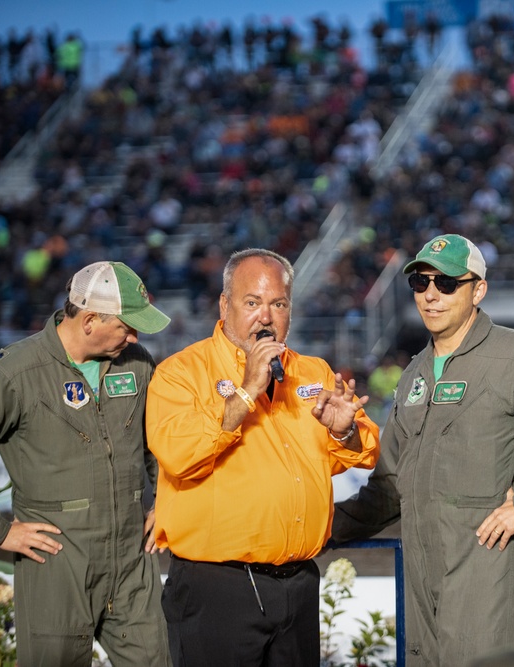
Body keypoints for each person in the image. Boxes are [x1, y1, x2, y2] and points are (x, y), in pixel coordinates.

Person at [331, 234, 514, 665]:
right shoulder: (413, 374)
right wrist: (318, 526)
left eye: (446, 284)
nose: (431, 295)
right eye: (421, 283)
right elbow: (388, 488)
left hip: (487, 574)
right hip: (422, 576)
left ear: (478, 289)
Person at [0, 261, 173, 666]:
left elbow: (160, 439)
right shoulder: (16, 373)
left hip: (133, 564)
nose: (135, 336)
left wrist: (166, 498)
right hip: (56, 564)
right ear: (91, 320)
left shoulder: (138, 364)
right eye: (128, 326)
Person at [146, 248, 380, 666]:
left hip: (299, 585)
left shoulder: (314, 372)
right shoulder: (179, 373)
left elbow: (364, 451)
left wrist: (344, 429)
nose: (266, 317)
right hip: (217, 588)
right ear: (225, 304)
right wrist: (245, 391)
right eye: (252, 303)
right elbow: (179, 455)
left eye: (278, 304)